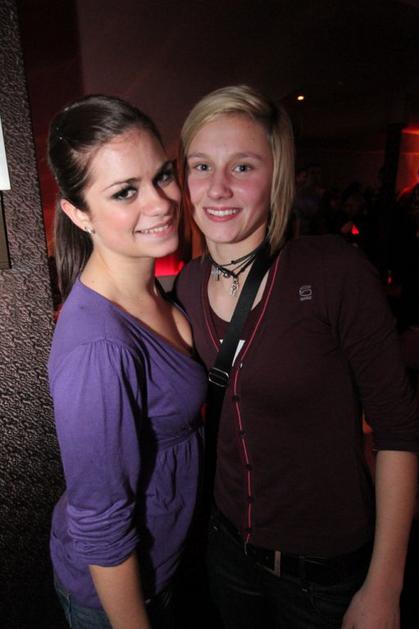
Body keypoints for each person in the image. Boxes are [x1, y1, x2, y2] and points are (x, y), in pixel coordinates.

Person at [175, 85, 419, 629]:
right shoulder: (187, 285)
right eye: (201, 165)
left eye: (242, 166)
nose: (217, 187)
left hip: (323, 577)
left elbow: (399, 432)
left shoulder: (333, 273)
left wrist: (385, 586)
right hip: (226, 554)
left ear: (277, 176)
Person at [47, 95, 207, 629]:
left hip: (166, 564)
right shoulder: (98, 347)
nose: (161, 203)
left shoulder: (156, 288)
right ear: (78, 213)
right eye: (125, 192)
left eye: (162, 176)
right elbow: (100, 521)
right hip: (120, 597)